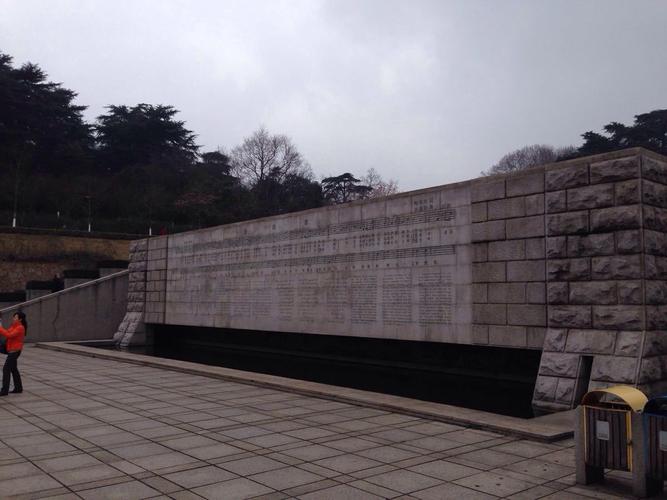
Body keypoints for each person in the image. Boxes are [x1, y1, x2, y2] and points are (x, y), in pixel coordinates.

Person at [0, 311, 26, 396]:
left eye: (15, 317)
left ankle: (4, 391)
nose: (13, 318)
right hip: (10, 349)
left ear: (20, 319)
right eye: (13, 317)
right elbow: (7, 332)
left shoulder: (20, 328)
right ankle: (18, 388)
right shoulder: (14, 326)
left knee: (6, 369)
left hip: (14, 351)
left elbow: (9, 335)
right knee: (13, 369)